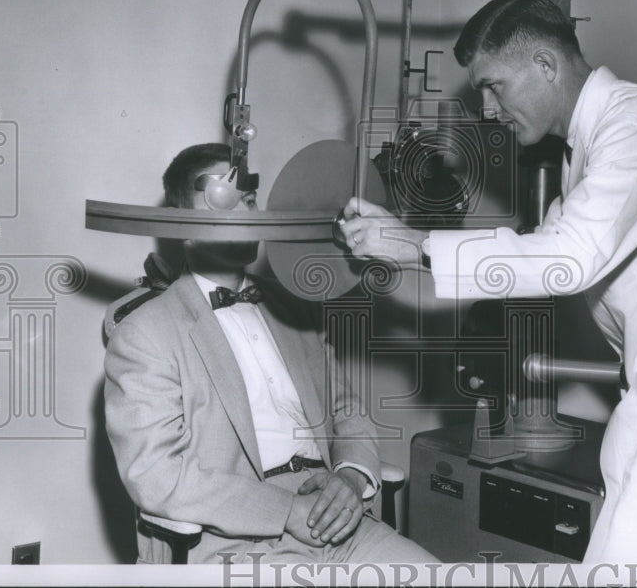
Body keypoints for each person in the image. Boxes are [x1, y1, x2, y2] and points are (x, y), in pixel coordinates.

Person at [339, 0, 637, 564]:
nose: (488, 110)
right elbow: (543, 259)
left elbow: (568, 258)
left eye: (494, 86)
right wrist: (405, 247)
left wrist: (412, 247)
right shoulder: (590, 150)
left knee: (635, 564)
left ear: (545, 65)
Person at [104, 143, 434, 564]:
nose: (249, 212)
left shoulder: (294, 305)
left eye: (251, 199)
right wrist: (284, 511)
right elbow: (156, 474)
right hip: (235, 543)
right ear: (182, 226)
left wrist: (351, 476)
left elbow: (345, 408)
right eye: (227, 200)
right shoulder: (145, 333)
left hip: (340, 522)